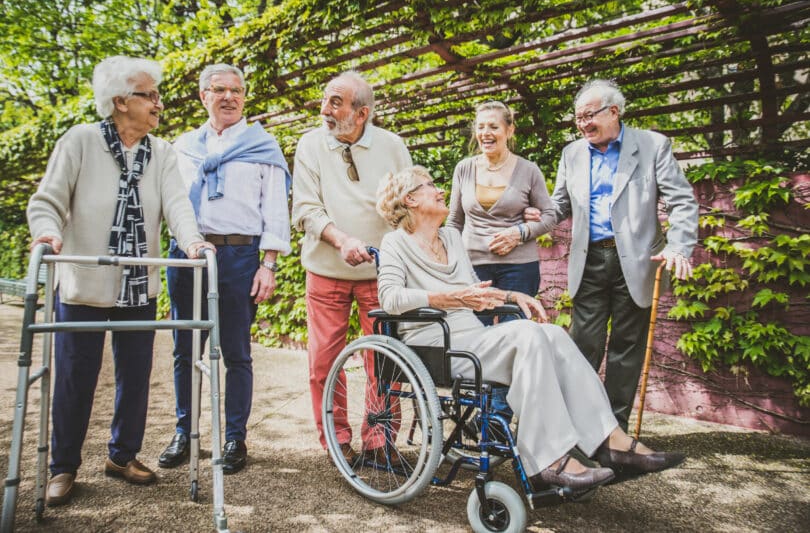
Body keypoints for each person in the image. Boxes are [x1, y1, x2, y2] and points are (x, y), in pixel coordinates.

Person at [376, 165, 685, 491]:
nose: (440, 191)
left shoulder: (451, 237)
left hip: (473, 338)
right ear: (410, 199)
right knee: (526, 335)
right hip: (436, 344)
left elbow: (473, 291)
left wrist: (512, 295)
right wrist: (447, 298)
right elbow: (390, 297)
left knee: (550, 333)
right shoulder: (395, 243)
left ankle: (611, 441)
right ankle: (546, 460)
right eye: (430, 185)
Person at [26, 56, 212, 506]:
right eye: (149, 95)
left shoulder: (163, 152)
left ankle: (121, 455)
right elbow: (46, 200)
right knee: (75, 376)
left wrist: (194, 242)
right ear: (119, 101)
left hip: (136, 286)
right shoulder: (81, 141)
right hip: (83, 283)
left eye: (156, 95)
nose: (159, 104)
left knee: (135, 375)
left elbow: (177, 207)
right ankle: (63, 467)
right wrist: (47, 232)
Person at [543, 79, 698, 431]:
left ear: (613, 111)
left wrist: (679, 246)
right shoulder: (572, 154)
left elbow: (682, 201)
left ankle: (614, 432)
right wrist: (536, 217)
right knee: (583, 345)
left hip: (639, 261)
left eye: (588, 116)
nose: (582, 124)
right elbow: (559, 204)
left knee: (627, 349)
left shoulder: (653, 145)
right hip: (590, 260)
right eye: (578, 118)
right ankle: (578, 426)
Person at [157, 64, 291, 474]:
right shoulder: (182, 147)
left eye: (236, 91)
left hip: (238, 257)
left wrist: (267, 264)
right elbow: (166, 203)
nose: (229, 97)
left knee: (236, 351)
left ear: (244, 97)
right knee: (185, 349)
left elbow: (274, 210)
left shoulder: (263, 146)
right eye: (220, 90)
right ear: (204, 96)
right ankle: (185, 431)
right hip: (186, 254)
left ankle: (235, 437)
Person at [292, 71, 412, 461]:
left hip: (382, 273)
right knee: (323, 361)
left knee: (384, 360)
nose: (325, 109)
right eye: (326, 100)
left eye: (336, 102)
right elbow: (307, 209)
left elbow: (406, 202)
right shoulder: (310, 145)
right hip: (327, 270)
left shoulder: (393, 147)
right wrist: (342, 241)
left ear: (361, 114)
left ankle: (379, 441)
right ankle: (335, 438)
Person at [447, 101, 555, 325]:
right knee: (475, 332)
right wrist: (449, 259)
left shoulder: (528, 170)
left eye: (493, 127)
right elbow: (454, 221)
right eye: (481, 127)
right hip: (473, 265)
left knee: (514, 331)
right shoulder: (464, 169)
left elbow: (549, 216)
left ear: (509, 130)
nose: (486, 133)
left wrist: (520, 232)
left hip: (519, 268)